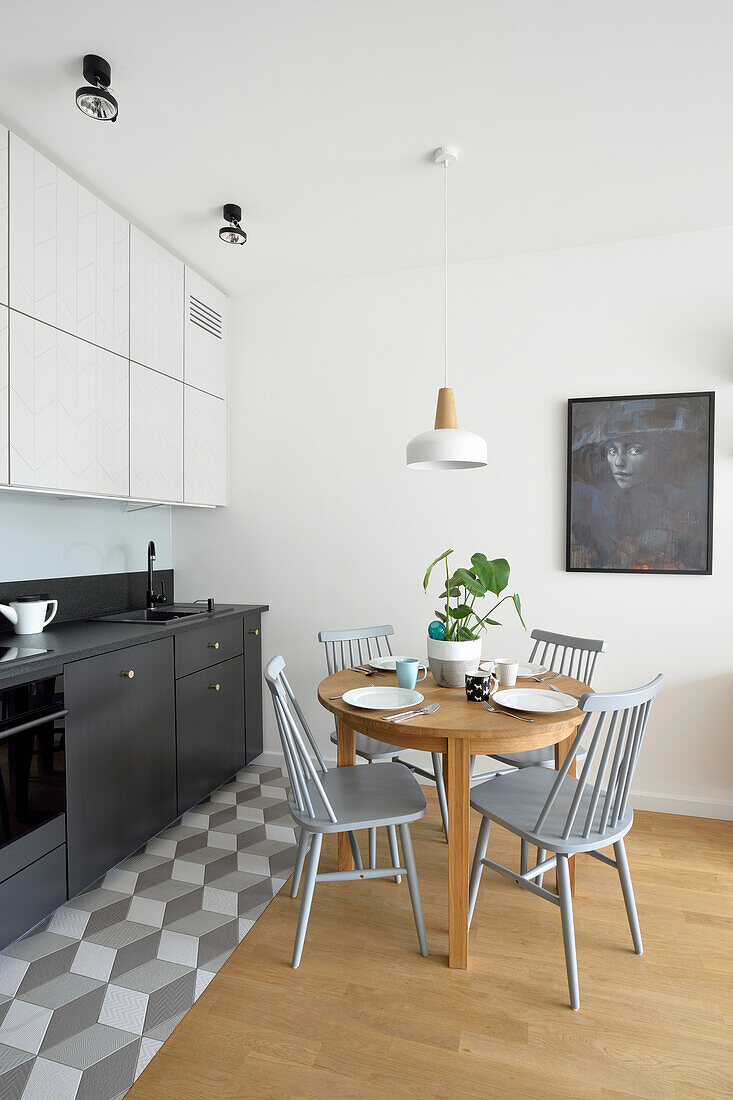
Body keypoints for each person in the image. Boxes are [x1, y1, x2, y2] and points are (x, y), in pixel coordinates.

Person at [569, 397, 710, 572]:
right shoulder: (590, 500)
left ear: (658, 454)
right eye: (612, 451)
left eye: (634, 450)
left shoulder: (680, 500)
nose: (619, 462)